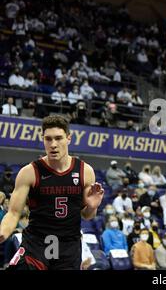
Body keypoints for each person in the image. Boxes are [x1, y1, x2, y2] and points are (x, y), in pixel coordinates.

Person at [0, 115, 104, 270]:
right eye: (48, 139)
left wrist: (92, 207)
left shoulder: (85, 171)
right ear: (43, 139)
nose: (53, 144)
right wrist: (2, 233)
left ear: (69, 138)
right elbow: (14, 213)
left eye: (58, 138)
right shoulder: (29, 172)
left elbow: (87, 215)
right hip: (36, 243)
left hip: (69, 246)